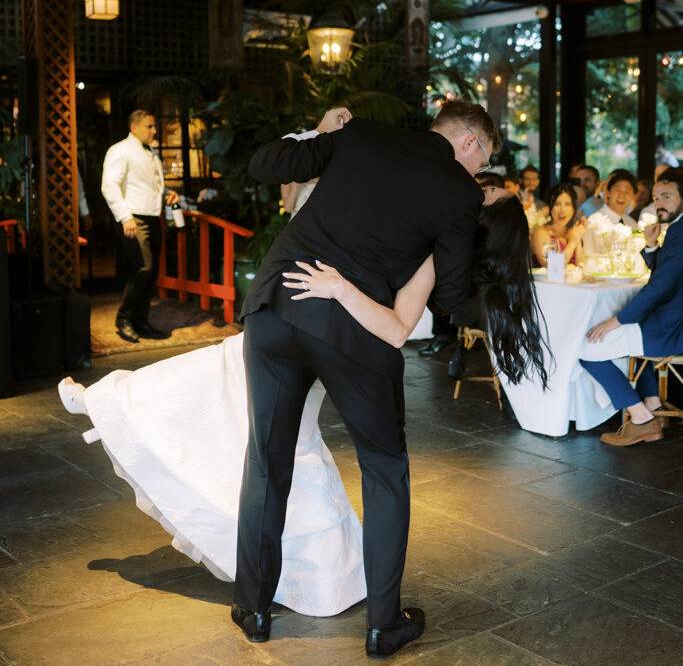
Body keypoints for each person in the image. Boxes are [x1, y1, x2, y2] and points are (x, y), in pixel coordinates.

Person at [56, 187, 547, 618]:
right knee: (257, 413)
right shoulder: (426, 221)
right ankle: (318, 580)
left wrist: (339, 289)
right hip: (310, 329)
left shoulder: (436, 251)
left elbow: (398, 328)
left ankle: (294, 592)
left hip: (344, 346)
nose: (476, 186)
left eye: (486, 193)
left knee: (271, 433)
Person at [234, 99, 500, 658]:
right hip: (350, 332)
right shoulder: (458, 191)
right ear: (472, 143)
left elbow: (264, 164)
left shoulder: (362, 135)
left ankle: (254, 608)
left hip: (276, 306)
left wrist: (322, 130)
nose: (477, 174)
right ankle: (383, 625)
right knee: (383, 468)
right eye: (482, 162)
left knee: (267, 458)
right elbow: (452, 298)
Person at [579, 168, 683, 446]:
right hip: (671, 322)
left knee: (587, 347)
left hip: (669, 328)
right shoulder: (677, 230)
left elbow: (660, 288)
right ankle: (652, 403)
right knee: (624, 343)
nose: (659, 202)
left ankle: (641, 419)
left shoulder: (680, 232)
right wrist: (650, 247)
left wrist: (615, 321)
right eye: (657, 197)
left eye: (667, 196)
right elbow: (669, 277)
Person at [101, 110, 180, 344]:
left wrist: (168, 194)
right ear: (134, 127)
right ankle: (124, 318)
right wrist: (125, 217)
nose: (154, 131)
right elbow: (109, 186)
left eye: (154, 126)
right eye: (150, 126)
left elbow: (152, 186)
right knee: (143, 268)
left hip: (153, 217)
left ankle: (140, 321)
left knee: (152, 271)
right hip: (133, 218)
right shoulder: (120, 150)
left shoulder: (152, 153)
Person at [530, 183, 586, 268]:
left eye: (567, 204)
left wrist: (577, 238)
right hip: (545, 281)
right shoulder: (541, 233)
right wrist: (573, 242)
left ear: (573, 208)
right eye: (557, 204)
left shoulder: (572, 232)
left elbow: (580, 266)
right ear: (549, 207)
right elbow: (552, 267)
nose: (562, 210)